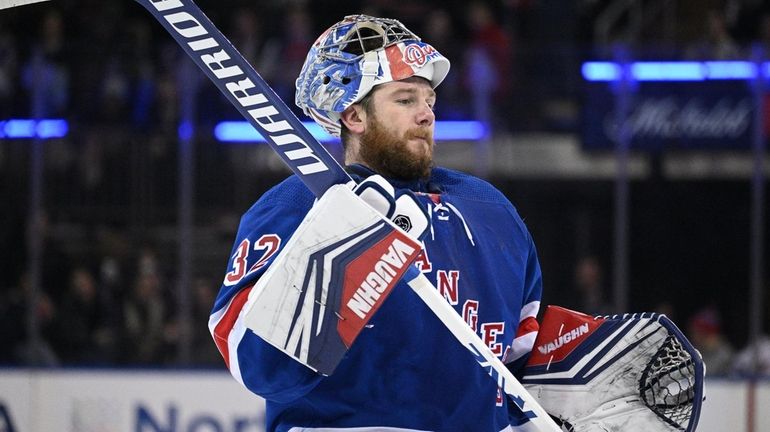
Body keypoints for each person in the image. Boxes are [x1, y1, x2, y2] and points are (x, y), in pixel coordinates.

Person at [210, 15, 544, 432]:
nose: (426, 115)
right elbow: (257, 365)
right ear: (354, 116)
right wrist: (339, 252)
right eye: (405, 100)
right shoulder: (295, 206)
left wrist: (583, 386)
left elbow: (524, 368)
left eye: (429, 101)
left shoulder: (491, 209)